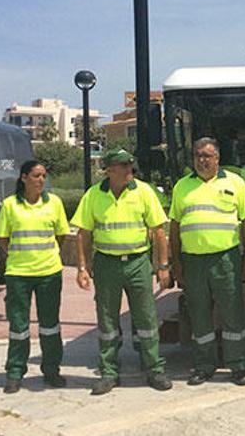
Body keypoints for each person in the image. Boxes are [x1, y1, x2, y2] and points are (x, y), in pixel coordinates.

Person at [71, 148, 175, 395]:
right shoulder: (94, 195)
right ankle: (109, 372)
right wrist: (82, 268)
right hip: (107, 265)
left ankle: (154, 369)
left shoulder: (143, 192)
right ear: (109, 170)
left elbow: (159, 231)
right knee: (106, 319)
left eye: (131, 165)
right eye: (124, 166)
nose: (130, 170)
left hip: (138, 263)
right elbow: (83, 234)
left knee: (147, 317)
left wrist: (162, 266)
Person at [169, 137, 245, 386]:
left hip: (226, 259)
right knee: (199, 315)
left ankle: (238, 366)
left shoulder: (235, 183)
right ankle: (204, 366)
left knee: (232, 314)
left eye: (207, 156)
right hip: (193, 261)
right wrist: (176, 263)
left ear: (217, 158)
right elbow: (174, 227)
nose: (202, 160)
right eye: (197, 156)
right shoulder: (182, 187)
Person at [0, 160, 69, 394]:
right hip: (19, 275)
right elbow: (3, 239)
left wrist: (45, 256)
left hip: (49, 273)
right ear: (24, 178)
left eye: (44, 176)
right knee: (19, 326)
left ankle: (52, 370)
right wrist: (21, 257)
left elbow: (61, 235)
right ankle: (15, 373)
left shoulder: (54, 203)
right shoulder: (9, 205)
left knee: (50, 325)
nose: (41, 180)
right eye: (36, 176)